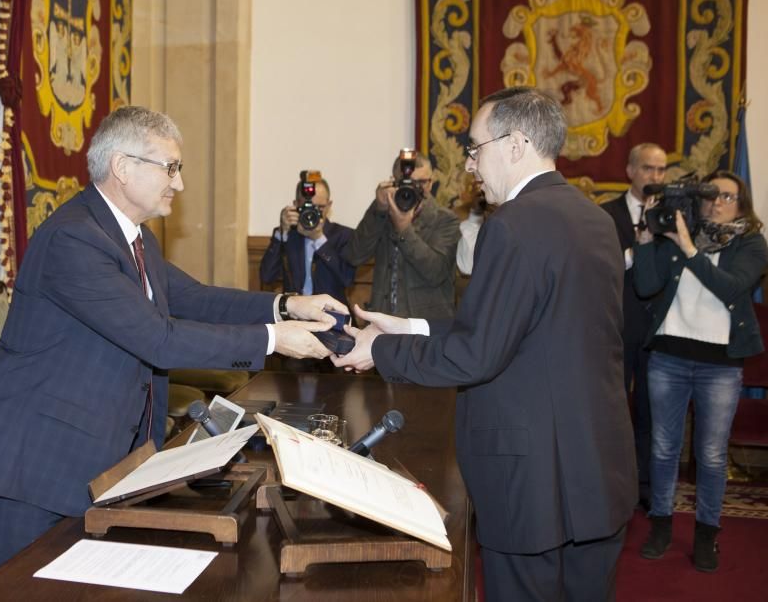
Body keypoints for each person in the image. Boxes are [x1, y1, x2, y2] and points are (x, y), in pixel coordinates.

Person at [0, 106, 346, 583]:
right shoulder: (74, 239)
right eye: (171, 168)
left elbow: (196, 299)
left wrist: (288, 305)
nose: (178, 184)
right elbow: (157, 340)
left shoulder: (135, 239)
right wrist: (274, 340)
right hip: (27, 464)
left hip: (94, 457)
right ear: (123, 166)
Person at [334, 86, 636, 602]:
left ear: (515, 144)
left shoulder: (514, 226)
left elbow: (478, 355)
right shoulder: (597, 220)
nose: (471, 165)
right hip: (595, 466)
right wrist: (407, 327)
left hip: (532, 478)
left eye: (476, 148)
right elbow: (526, 331)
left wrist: (378, 350)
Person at [634, 171, 767, 573]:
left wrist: (691, 249)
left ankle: (707, 533)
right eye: (711, 195)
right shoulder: (678, 234)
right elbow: (645, 286)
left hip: (720, 365)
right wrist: (645, 243)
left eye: (728, 196)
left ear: (742, 204)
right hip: (669, 357)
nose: (718, 202)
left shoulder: (751, 243)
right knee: (663, 448)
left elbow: (731, 287)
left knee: (710, 455)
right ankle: (661, 527)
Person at [600, 142, 668, 510]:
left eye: (661, 170)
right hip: (616, 327)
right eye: (648, 169)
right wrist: (635, 251)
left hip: (659, 330)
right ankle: (610, 482)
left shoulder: (671, 215)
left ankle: (643, 486)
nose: (655, 177)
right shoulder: (605, 215)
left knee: (649, 413)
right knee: (613, 409)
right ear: (630, 171)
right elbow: (601, 267)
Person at [342, 153, 460, 319]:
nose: (417, 189)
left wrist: (404, 229)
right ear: (394, 182)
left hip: (426, 330)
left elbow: (436, 272)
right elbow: (354, 255)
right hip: (382, 324)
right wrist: (378, 209)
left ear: (431, 182)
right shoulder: (383, 214)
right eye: (409, 184)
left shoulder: (445, 220)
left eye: (422, 182)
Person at [259, 174, 356, 304]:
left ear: (329, 205)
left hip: (331, 316)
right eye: (307, 208)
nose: (313, 214)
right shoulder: (289, 236)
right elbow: (267, 277)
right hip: (294, 316)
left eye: (319, 208)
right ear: (295, 205)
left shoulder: (343, 235)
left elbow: (347, 279)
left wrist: (319, 239)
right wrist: (282, 233)